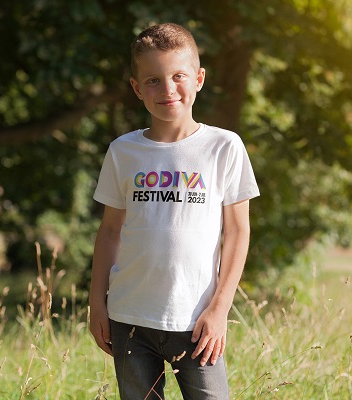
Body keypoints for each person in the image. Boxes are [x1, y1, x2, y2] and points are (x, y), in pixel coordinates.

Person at [89, 22, 260, 400]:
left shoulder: (224, 147)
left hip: (197, 319)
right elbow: (110, 232)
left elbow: (237, 232)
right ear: (136, 88)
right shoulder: (123, 151)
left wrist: (219, 310)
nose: (167, 89)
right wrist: (96, 303)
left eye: (178, 76)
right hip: (129, 315)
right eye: (152, 80)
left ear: (198, 78)